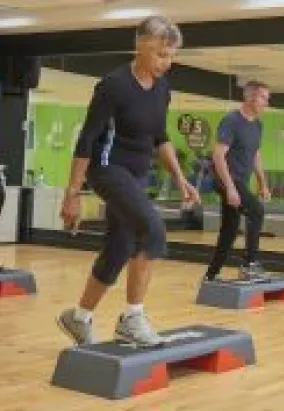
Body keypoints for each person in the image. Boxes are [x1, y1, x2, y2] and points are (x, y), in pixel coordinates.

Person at [56, 16, 199, 347]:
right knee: (153, 230)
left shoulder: (163, 88)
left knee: (119, 248)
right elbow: (87, 140)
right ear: (140, 45)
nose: (167, 63)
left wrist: (180, 178)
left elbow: (160, 137)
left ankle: (78, 318)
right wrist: (73, 193)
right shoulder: (114, 85)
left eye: (171, 56)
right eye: (161, 54)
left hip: (135, 175)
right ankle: (132, 318)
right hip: (107, 168)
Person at [203, 80, 271, 281]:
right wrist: (230, 188)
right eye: (263, 98)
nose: (266, 103)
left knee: (230, 230)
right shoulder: (231, 121)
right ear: (250, 98)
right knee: (256, 210)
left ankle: (211, 275)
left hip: (240, 180)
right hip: (226, 178)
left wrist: (262, 183)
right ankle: (250, 264)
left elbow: (255, 155)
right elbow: (218, 156)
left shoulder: (258, 125)